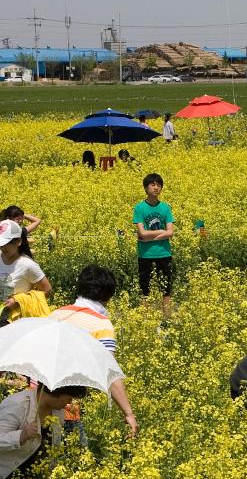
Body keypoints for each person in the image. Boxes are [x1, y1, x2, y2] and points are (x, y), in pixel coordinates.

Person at [48, 265, 138, 438]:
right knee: (75, 455)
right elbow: (108, 371)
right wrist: (128, 413)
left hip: (40, 403)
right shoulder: (100, 324)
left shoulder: (55, 315)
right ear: (108, 296)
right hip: (69, 405)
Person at [0, 381, 87, 479]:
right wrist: (21, 436)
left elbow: (53, 448)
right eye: (69, 397)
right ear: (57, 391)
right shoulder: (17, 405)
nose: (70, 403)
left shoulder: (57, 413)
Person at [133, 173, 176, 318]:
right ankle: (146, 321)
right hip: (145, 255)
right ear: (146, 188)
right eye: (153, 185)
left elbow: (170, 232)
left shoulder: (165, 208)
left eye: (159, 185)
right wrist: (161, 232)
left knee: (166, 289)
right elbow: (142, 233)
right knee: (145, 289)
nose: (156, 187)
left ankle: (167, 319)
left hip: (164, 253)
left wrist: (149, 237)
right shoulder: (139, 208)